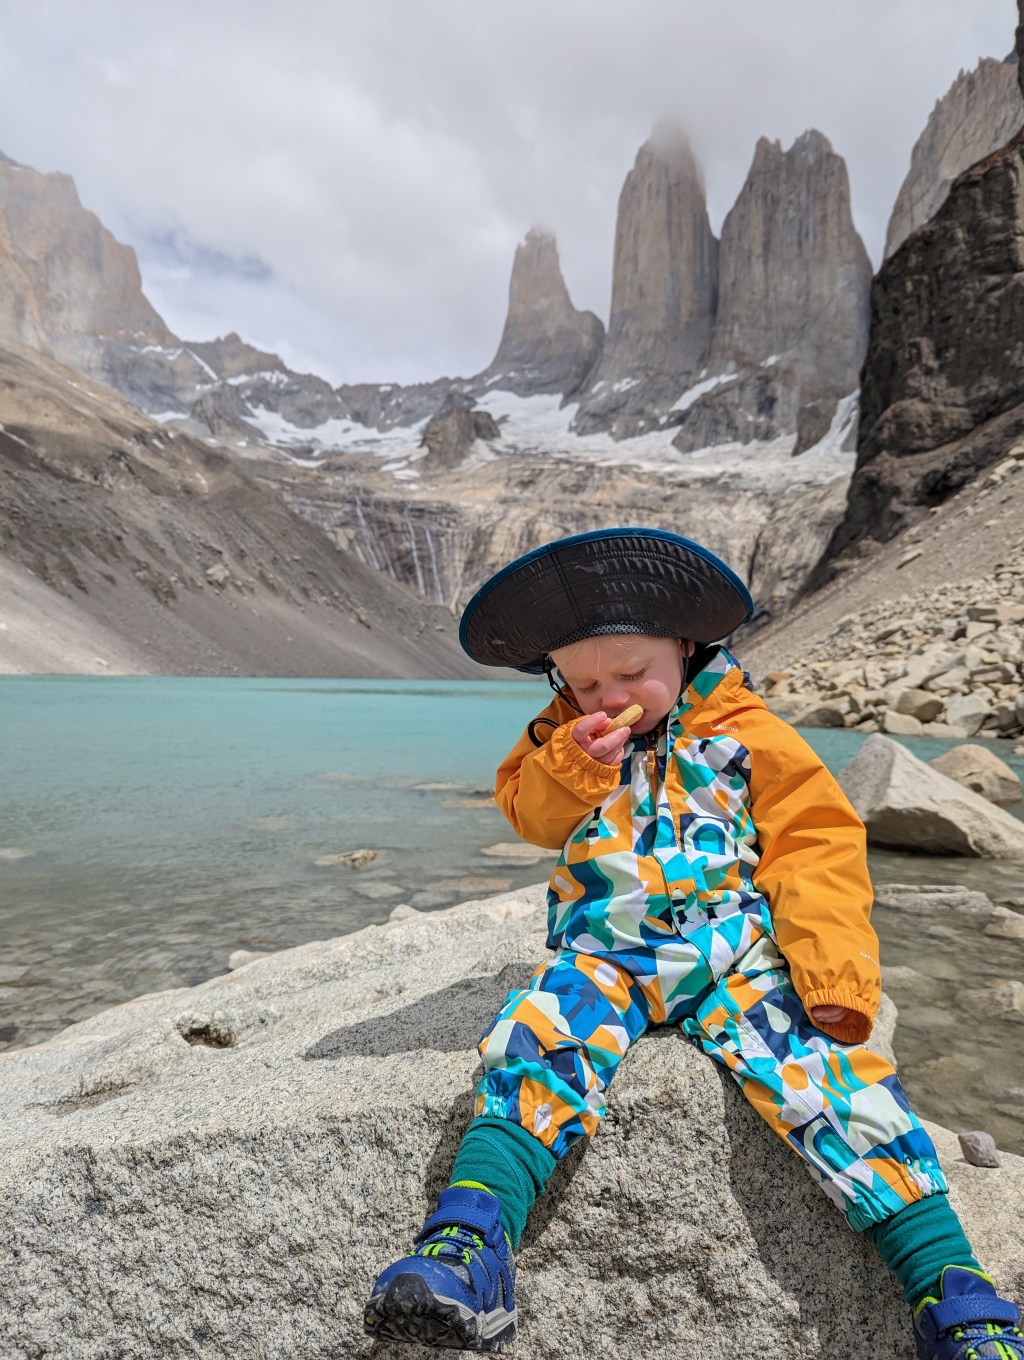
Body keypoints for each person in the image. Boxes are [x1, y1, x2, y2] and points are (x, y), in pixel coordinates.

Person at [364, 528, 1024, 1358]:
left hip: (733, 954)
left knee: (833, 1085)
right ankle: (467, 1245)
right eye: (583, 682)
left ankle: (954, 1293)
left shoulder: (750, 733)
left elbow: (815, 847)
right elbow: (530, 817)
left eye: (631, 672)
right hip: (604, 954)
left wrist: (832, 976)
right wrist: (572, 766)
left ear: (684, 645)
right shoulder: (561, 736)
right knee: (534, 1045)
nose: (609, 696)